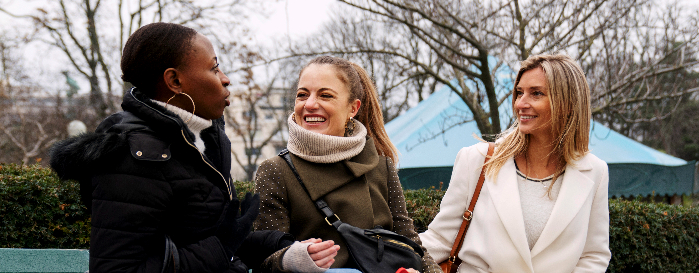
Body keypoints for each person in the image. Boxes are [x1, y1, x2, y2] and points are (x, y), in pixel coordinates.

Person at [48, 22, 324, 273]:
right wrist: (222, 245)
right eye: (214, 68)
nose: (225, 78)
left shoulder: (199, 142)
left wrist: (285, 249)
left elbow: (202, 242)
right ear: (175, 81)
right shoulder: (136, 156)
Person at [419, 54, 611, 273]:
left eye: (536, 93)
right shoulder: (477, 160)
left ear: (567, 103)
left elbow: (593, 255)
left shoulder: (595, 172)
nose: (521, 103)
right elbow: (440, 239)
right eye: (519, 93)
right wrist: (392, 259)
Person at [252, 56, 440, 273]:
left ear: (353, 108)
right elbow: (263, 260)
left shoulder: (381, 167)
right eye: (302, 95)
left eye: (325, 95)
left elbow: (411, 244)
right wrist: (291, 258)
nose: (310, 104)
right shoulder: (275, 171)